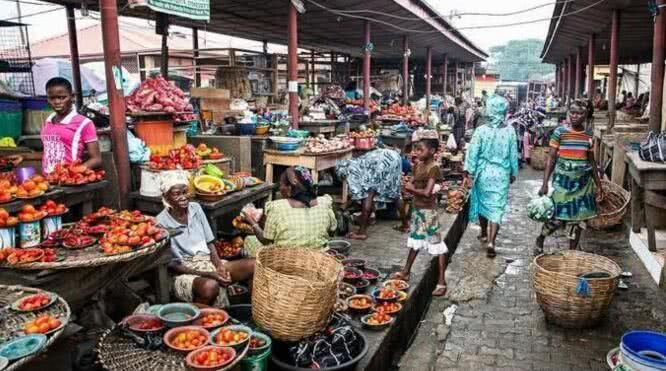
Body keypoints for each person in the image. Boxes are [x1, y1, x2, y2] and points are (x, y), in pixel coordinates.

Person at [156, 171, 255, 307]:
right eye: (177, 194)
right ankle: (195, 320)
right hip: (184, 271)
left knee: (255, 265)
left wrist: (219, 266)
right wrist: (209, 274)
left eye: (185, 192)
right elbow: (174, 266)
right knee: (210, 286)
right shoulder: (160, 222)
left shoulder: (195, 208)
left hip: (208, 262)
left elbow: (210, 242)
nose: (183, 197)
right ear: (165, 197)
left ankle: (252, 312)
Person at [535, 100, 604, 254]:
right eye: (572, 112)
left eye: (579, 113)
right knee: (558, 217)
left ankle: (572, 252)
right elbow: (551, 159)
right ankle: (541, 238)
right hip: (563, 184)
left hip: (583, 184)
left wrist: (599, 185)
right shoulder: (560, 132)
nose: (574, 116)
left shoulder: (588, 136)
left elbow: (592, 161)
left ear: (585, 115)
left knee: (579, 219)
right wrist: (545, 183)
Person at [392, 131, 447, 296]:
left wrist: (411, 189)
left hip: (428, 211)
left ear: (431, 151)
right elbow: (412, 180)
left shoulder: (433, 167)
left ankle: (442, 282)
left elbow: (428, 193)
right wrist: (410, 185)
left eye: (420, 149)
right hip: (418, 209)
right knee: (415, 241)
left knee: (437, 246)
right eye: (415, 149)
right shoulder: (418, 164)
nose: (416, 152)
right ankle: (406, 271)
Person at [464, 94, 518, 258]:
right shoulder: (510, 131)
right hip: (501, 175)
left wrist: (469, 172)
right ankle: (491, 241)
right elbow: (513, 155)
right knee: (497, 208)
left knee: (483, 204)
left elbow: (472, 153)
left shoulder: (481, 131)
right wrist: (513, 173)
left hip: (484, 174)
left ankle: (483, 232)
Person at [242, 166, 337, 256]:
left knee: (250, 240)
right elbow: (332, 231)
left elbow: (265, 240)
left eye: (281, 184)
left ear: (289, 188)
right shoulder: (324, 203)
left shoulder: (277, 207)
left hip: (287, 261)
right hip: (318, 258)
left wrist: (252, 222)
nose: (279, 188)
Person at [337, 148, 402, 240]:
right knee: (395, 192)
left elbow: (364, 196)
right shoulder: (357, 162)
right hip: (393, 156)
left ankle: (362, 232)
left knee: (368, 195)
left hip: (381, 161)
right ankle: (406, 225)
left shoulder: (351, 171)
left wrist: (346, 205)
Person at [41, 77, 102, 174]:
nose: (57, 102)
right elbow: (48, 153)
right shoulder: (47, 122)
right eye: (52, 98)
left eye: (62, 97)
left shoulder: (84, 123)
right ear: (47, 99)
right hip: (47, 181)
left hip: (68, 181)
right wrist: (25, 157)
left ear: (72, 97)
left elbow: (96, 159)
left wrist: (73, 171)